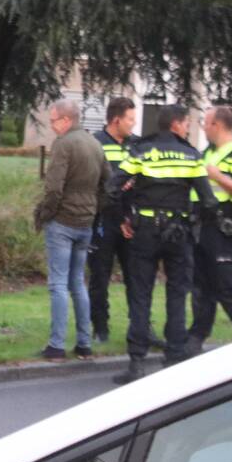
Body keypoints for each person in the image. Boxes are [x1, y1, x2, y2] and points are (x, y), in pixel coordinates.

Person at [109, 104, 217, 384]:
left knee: (141, 294)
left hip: (144, 231)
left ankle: (136, 364)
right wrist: (194, 222)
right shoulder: (192, 154)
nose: (189, 128)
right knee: (177, 293)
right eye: (186, 123)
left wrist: (126, 215)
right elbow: (207, 199)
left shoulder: (141, 151)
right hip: (178, 232)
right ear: (176, 124)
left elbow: (113, 187)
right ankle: (173, 357)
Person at [33, 99, 110, 361]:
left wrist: (44, 214)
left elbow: (54, 188)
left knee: (57, 284)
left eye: (54, 120)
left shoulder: (64, 144)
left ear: (66, 120)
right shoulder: (95, 144)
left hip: (63, 223)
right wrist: (93, 211)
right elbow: (106, 184)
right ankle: (84, 344)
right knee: (78, 283)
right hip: (86, 222)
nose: (52, 125)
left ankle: (56, 345)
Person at [88, 97, 164, 347]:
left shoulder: (137, 144)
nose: (134, 124)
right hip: (105, 222)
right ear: (116, 119)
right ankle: (100, 328)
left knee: (138, 277)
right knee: (100, 276)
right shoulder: (96, 143)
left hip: (134, 222)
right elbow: (96, 186)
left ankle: (142, 328)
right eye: (130, 119)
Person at [186, 106, 232, 354]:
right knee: (201, 286)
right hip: (203, 228)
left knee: (224, 288)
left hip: (225, 229)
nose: (203, 127)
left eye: (206, 123)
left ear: (217, 126)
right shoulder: (206, 153)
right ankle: (196, 338)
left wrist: (218, 176)